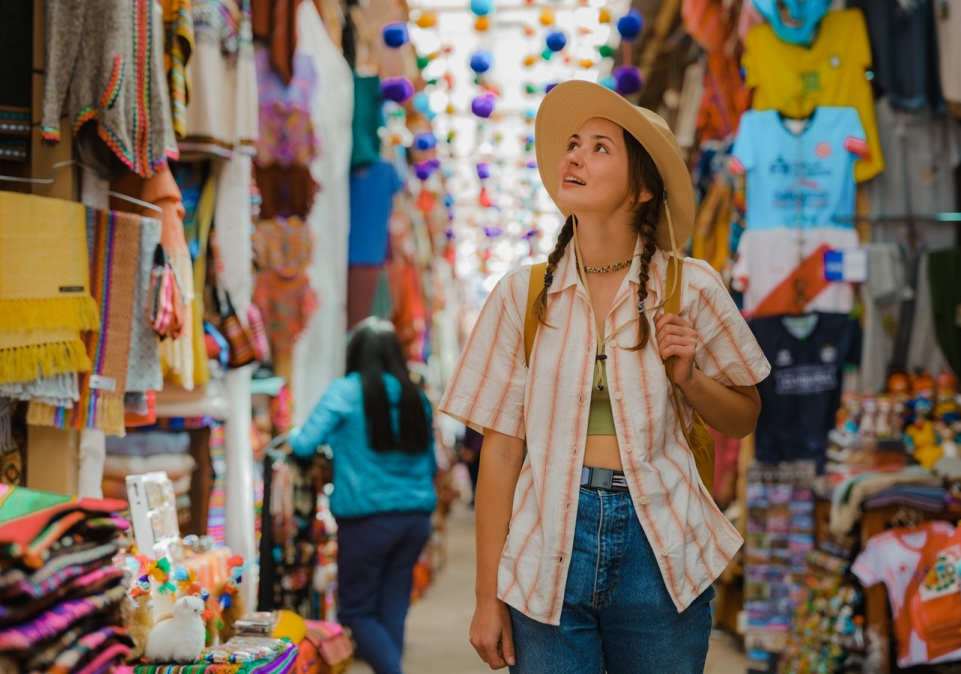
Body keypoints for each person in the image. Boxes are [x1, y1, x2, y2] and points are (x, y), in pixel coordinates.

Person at [440, 80, 772, 673]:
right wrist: (486, 599)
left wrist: (690, 378)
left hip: (661, 546)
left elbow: (745, 415)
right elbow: (502, 449)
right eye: (573, 144)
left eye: (599, 148)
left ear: (642, 187)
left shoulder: (690, 287)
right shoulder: (522, 296)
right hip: (548, 544)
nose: (574, 156)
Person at [290, 318, 437, 674]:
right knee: (393, 604)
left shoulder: (345, 391)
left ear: (354, 353)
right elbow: (431, 462)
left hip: (366, 519)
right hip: (415, 519)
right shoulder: (415, 396)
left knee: (356, 610)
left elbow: (304, 444)